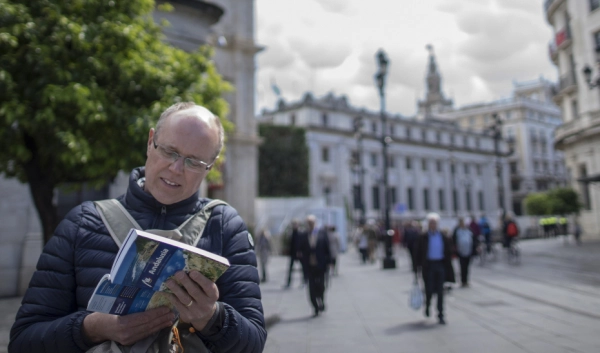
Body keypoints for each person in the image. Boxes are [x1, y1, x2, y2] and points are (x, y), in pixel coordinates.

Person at [9, 102, 266, 353]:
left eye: (194, 162)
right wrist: (92, 328)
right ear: (150, 141)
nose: (176, 169)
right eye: (169, 151)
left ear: (211, 166)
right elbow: (23, 341)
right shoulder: (82, 223)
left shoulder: (224, 226)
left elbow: (253, 342)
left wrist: (212, 317)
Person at [414, 213, 454, 325]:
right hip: (428, 265)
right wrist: (416, 268)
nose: (433, 225)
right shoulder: (423, 237)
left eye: (434, 223)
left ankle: (440, 314)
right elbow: (417, 253)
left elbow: (448, 250)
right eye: (431, 223)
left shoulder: (442, 236)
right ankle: (427, 305)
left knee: (441, 291)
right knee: (429, 289)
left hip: (440, 264)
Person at [299, 215, 331, 317]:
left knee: (321, 286)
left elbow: (327, 248)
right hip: (309, 266)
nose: (310, 225)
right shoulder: (304, 235)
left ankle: (321, 299)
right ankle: (315, 307)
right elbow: (301, 250)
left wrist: (329, 262)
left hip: (321, 265)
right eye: (308, 223)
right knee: (311, 288)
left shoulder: (322, 234)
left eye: (311, 223)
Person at [452, 218, 476, 287]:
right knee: (462, 266)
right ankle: (463, 280)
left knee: (467, 266)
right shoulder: (457, 230)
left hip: (469, 251)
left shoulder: (469, 230)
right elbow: (454, 240)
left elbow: (473, 238)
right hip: (460, 251)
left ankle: (466, 280)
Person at [284, 219, 307, 288]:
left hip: (299, 253)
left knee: (303, 268)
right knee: (290, 269)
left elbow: (302, 243)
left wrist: (300, 251)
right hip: (293, 253)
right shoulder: (292, 233)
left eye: (295, 224)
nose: (294, 226)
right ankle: (288, 283)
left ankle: (304, 281)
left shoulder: (301, 232)